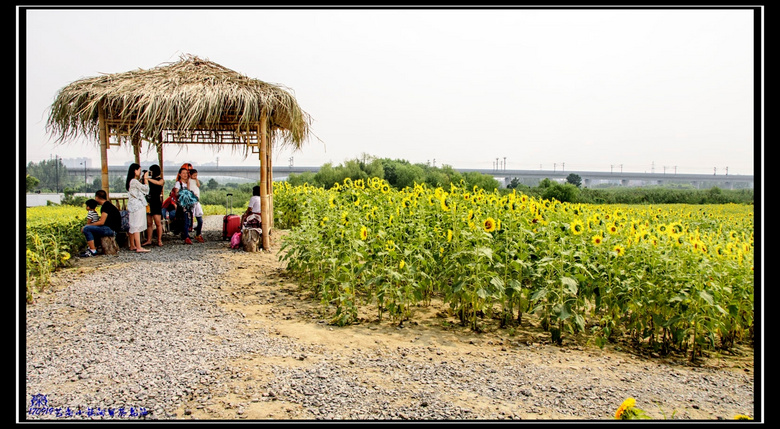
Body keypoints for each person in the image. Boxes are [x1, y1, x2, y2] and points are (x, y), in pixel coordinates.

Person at [79, 190, 122, 257]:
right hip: (111, 228)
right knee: (91, 228)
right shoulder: (108, 205)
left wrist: (88, 225)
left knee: (87, 229)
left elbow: (101, 222)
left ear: (97, 197)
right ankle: (94, 247)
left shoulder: (105, 207)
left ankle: (92, 250)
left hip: (111, 229)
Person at [126, 163, 151, 253]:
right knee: (137, 226)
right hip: (138, 206)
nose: (140, 172)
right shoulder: (134, 181)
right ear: (135, 170)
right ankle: (139, 247)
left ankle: (132, 245)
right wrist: (146, 179)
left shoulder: (131, 181)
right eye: (139, 170)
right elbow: (146, 190)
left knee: (132, 225)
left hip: (132, 206)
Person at [142, 164, 165, 247]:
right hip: (149, 202)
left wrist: (147, 178)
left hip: (156, 202)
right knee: (149, 223)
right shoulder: (148, 180)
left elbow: (158, 183)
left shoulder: (161, 180)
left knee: (158, 222)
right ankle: (149, 240)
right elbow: (145, 187)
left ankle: (159, 240)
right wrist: (145, 179)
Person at [172, 167, 194, 245]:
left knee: (188, 220)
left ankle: (186, 234)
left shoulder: (189, 183)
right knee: (184, 219)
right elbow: (176, 193)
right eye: (183, 173)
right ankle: (186, 237)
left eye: (186, 173)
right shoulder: (178, 183)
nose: (185, 175)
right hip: (182, 204)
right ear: (180, 174)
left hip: (189, 204)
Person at [189, 168, 205, 243]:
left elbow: (198, 185)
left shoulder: (195, 181)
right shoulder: (189, 181)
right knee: (189, 219)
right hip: (191, 201)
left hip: (197, 201)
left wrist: (196, 179)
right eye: (194, 175)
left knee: (200, 219)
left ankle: (198, 233)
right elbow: (188, 188)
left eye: (196, 175)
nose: (195, 176)